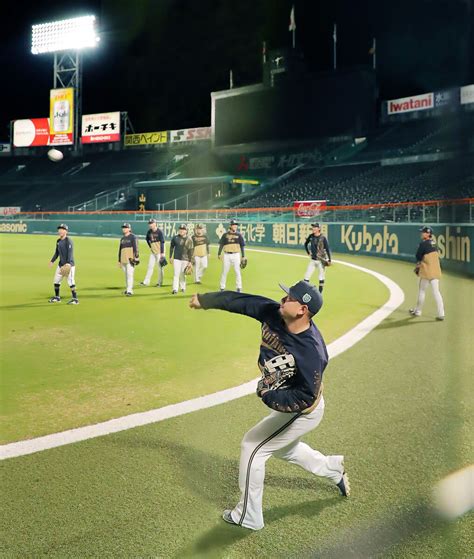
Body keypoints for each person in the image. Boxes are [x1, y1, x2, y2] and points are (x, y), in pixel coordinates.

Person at [189, 281, 350, 531]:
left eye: (290, 298)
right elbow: (240, 302)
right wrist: (205, 300)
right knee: (284, 449)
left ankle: (248, 515)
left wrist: (269, 395)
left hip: (303, 411)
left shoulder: (312, 352)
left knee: (253, 446)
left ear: (302, 310)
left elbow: (306, 396)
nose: (283, 299)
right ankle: (331, 469)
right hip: (289, 398)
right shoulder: (273, 313)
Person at [409, 226, 445, 320]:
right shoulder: (434, 244)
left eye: (423, 232)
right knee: (436, 292)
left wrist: (417, 267)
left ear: (428, 234)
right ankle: (441, 314)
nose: (421, 233)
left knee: (422, 290)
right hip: (436, 270)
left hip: (427, 271)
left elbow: (418, 256)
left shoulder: (423, 244)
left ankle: (418, 311)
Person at [48, 223, 79, 305]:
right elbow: (57, 253)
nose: (60, 231)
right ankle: (57, 297)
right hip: (60, 265)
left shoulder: (68, 241)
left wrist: (68, 263)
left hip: (69, 265)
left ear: (66, 231)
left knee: (71, 282)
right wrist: (52, 261)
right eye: (59, 229)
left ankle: (75, 299)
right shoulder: (58, 241)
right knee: (56, 281)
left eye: (62, 229)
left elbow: (70, 253)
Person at [218, 219, 246, 292]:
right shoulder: (225, 235)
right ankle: (222, 287)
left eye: (236, 225)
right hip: (227, 255)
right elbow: (221, 244)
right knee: (225, 271)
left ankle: (239, 287)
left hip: (236, 255)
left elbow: (242, 246)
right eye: (234, 225)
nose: (235, 226)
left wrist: (243, 256)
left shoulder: (239, 235)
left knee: (237, 271)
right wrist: (219, 253)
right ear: (230, 226)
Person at [304, 223, 331, 293]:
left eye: (315, 227)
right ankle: (305, 292)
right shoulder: (311, 236)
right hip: (313, 260)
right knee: (306, 277)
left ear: (319, 229)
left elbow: (327, 249)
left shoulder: (323, 238)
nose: (313, 228)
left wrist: (330, 260)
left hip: (321, 261)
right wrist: (308, 252)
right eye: (313, 227)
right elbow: (306, 244)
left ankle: (320, 293)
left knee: (321, 277)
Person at [140, 219, 165, 287]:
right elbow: (147, 239)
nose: (150, 225)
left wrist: (162, 253)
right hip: (153, 253)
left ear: (155, 224)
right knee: (150, 266)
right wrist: (150, 246)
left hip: (159, 253)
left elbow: (162, 242)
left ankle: (159, 283)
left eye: (152, 223)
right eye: (149, 223)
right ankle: (146, 282)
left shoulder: (160, 232)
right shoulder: (149, 232)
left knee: (160, 268)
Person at [169, 224, 193, 294]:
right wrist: (170, 256)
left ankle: (182, 287)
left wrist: (190, 261)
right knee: (176, 274)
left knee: (182, 274)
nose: (181, 231)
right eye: (180, 229)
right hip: (176, 258)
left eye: (183, 229)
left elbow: (191, 250)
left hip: (185, 259)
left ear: (186, 231)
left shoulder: (189, 239)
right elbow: (171, 247)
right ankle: (175, 289)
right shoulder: (175, 238)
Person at [118, 223, 139, 296]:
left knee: (130, 275)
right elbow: (120, 250)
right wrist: (119, 260)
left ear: (129, 229)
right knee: (126, 275)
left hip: (130, 259)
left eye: (125, 227)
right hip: (123, 259)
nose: (124, 229)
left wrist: (136, 257)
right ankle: (128, 289)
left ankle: (129, 290)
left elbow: (136, 248)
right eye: (123, 227)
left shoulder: (133, 237)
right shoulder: (122, 238)